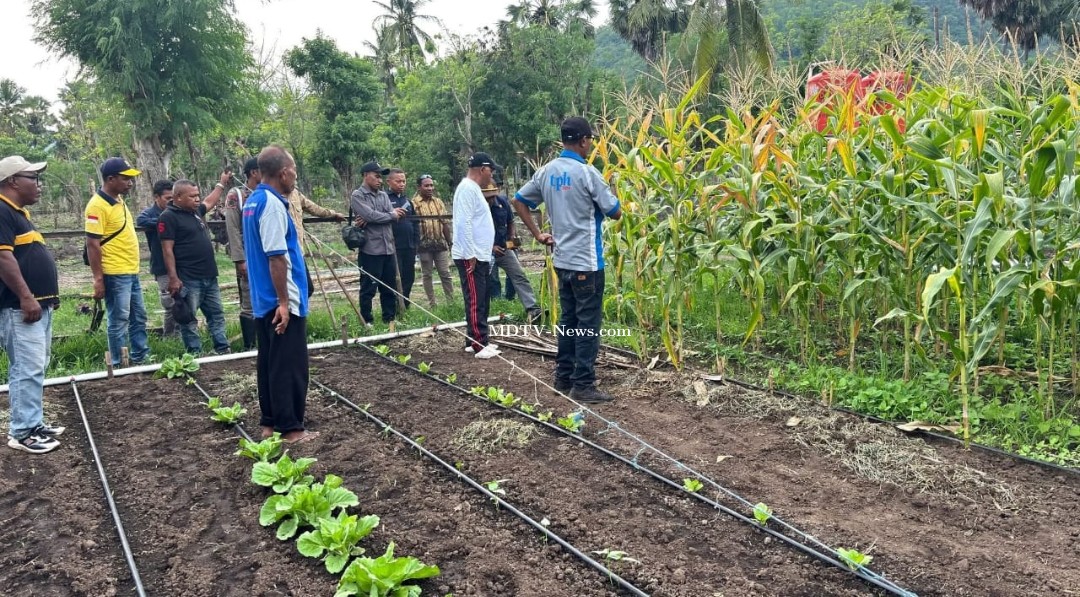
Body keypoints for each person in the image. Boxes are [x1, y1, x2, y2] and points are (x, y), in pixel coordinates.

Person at [513, 117, 622, 403]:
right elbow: (615, 212)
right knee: (587, 324)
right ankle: (583, 384)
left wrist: (538, 234)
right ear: (584, 141)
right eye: (590, 141)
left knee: (568, 319)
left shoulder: (546, 172)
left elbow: (519, 200)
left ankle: (563, 377)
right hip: (587, 262)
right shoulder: (587, 173)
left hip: (561, 261)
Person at [242, 145, 315, 444]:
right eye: (294, 171)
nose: (295, 176)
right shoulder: (272, 204)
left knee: (270, 363)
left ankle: (270, 423)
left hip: (263, 298)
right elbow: (276, 257)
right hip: (280, 300)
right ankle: (292, 428)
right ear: (284, 173)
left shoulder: (252, 201)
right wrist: (284, 302)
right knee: (290, 365)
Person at [0, 156, 64, 454]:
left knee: (36, 366)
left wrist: (48, 297)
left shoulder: (18, 213)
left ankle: (33, 423)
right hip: (19, 307)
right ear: (13, 180)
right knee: (27, 368)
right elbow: (3, 259)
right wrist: (26, 297)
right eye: (33, 178)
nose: (39, 185)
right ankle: (23, 432)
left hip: (37, 306)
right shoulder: (1, 210)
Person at [85, 157, 150, 366]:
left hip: (130, 269)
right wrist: (98, 278)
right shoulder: (97, 206)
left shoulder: (119, 200)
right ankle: (118, 362)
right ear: (110, 179)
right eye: (125, 178)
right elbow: (92, 244)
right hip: (114, 272)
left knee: (138, 316)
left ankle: (140, 357)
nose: (130, 183)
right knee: (119, 319)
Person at [160, 179, 230, 355]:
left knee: (216, 314)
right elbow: (167, 250)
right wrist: (173, 278)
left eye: (198, 195)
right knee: (189, 318)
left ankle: (222, 348)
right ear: (178, 197)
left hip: (209, 276)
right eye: (192, 196)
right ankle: (194, 353)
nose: (197, 199)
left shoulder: (195, 212)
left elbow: (209, 201)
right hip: (188, 278)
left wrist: (221, 183)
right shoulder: (168, 217)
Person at [452, 153, 500, 359]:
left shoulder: (473, 189)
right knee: (475, 299)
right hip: (470, 255)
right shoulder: (467, 189)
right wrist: (470, 252)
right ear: (482, 169)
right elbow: (463, 222)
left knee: (481, 298)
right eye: (491, 171)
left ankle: (475, 339)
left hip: (479, 254)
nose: (492, 175)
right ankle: (479, 344)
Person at [350, 161, 405, 327]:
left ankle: (390, 318)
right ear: (365, 175)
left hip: (388, 247)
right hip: (370, 250)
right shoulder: (358, 195)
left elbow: (378, 217)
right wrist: (390, 215)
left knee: (389, 287)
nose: (380, 180)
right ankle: (367, 320)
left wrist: (381, 216)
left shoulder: (383, 196)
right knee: (368, 287)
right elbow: (370, 216)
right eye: (376, 176)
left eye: (381, 177)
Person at [483, 183, 541, 323]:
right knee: (488, 280)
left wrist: (511, 239)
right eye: (487, 197)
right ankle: (489, 309)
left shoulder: (502, 202)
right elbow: (472, 231)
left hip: (504, 248)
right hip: (484, 251)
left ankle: (532, 309)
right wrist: (491, 247)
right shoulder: (475, 206)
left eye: (493, 196)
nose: (490, 200)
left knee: (519, 275)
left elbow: (510, 222)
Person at [224, 158, 260, 349]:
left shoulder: (269, 193)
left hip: (268, 256)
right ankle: (250, 346)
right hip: (248, 256)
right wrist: (240, 259)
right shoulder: (236, 195)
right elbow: (233, 228)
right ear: (254, 172)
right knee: (249, 301)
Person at [136, 180, 178, 337]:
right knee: (170, 303)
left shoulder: (177, 210)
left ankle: (182, 335)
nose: (171, 201)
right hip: (162, 264)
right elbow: (141, 220)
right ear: (156, 197)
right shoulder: (149, 214)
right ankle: (170, 337)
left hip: (181, 262)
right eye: (167, 198)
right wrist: (165, 221)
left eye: (173, 198)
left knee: (184, 301)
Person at [413, 174, 454, 306]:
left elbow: (444, 223)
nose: (430, 188)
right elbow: (412, 226)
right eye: (426, 186)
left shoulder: (438, 202)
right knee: (427, 275)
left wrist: (450, 242)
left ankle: (451, 302)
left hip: (439, 243)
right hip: (424, 245)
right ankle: (432, 303)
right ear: (419, 187)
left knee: (445, 273)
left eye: (431, 185)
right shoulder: (414, 204)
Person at [386, 168, 419, 307]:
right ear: (389, 182)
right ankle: (395, 306)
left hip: (409, 246)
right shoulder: (385, 199)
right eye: (398, 181)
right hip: (394, 247)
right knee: (395, 278)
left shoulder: (408, 201)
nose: (401, 184)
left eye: (403, 181)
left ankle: (405, 304)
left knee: (409, 277)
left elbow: (415, 223)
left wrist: (416, 243)